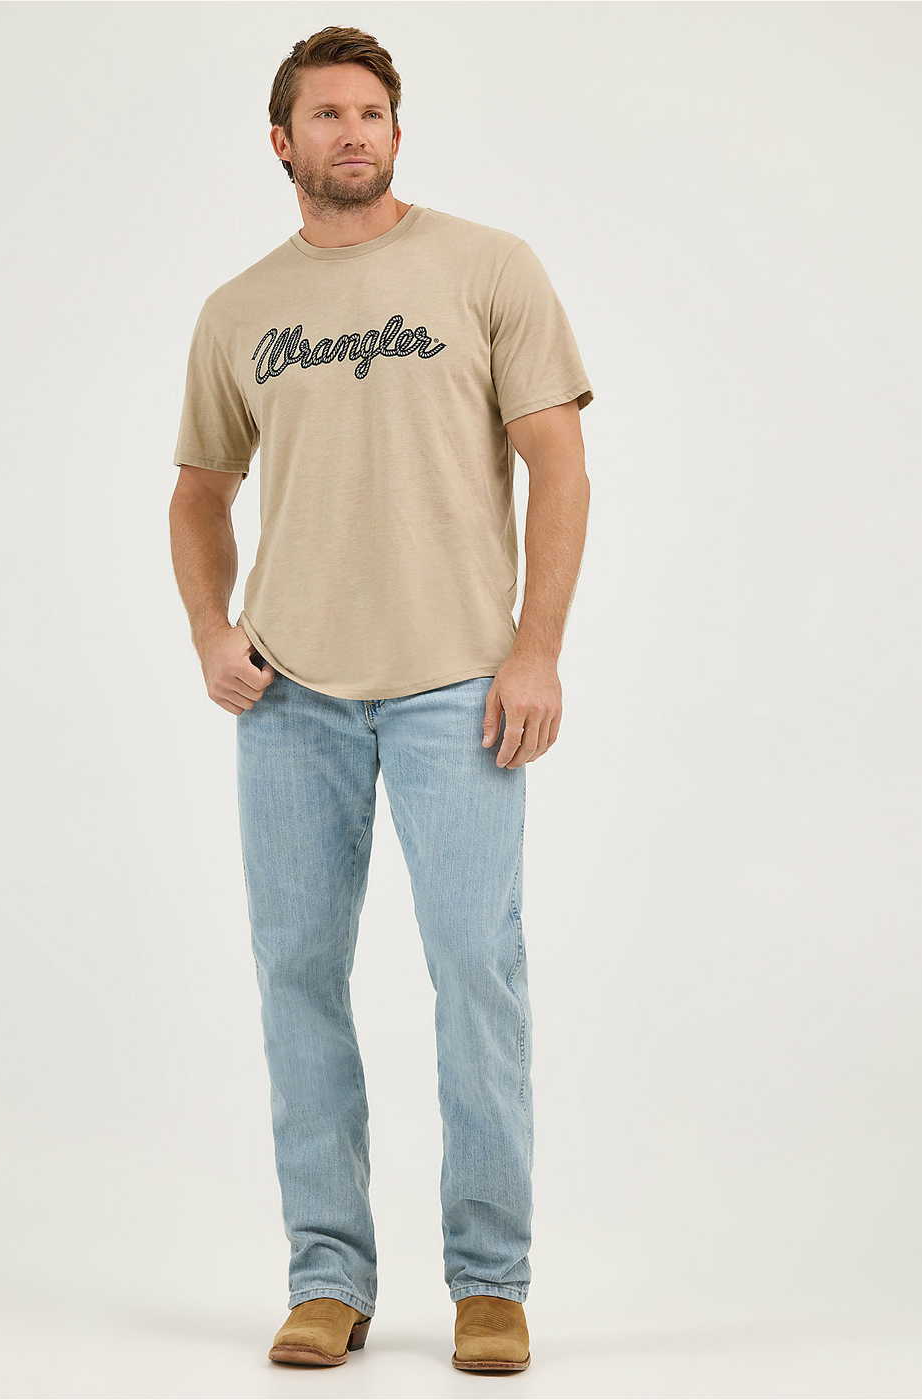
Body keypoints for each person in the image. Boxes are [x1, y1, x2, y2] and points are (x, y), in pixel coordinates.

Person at [167, 24, 593, 1375]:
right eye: (325, 114)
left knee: (476, 971)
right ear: (280, 142)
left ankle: (489, 1284)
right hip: (288, 696)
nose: (352, 132)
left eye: (371, 112)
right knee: (297, 975)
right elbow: (197, 493)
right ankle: (327, 1278)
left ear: (397, 133)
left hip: (457, 687)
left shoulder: (488, 268)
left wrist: (535, 649)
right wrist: (209, 631)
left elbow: (559, 465)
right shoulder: (238, 310)